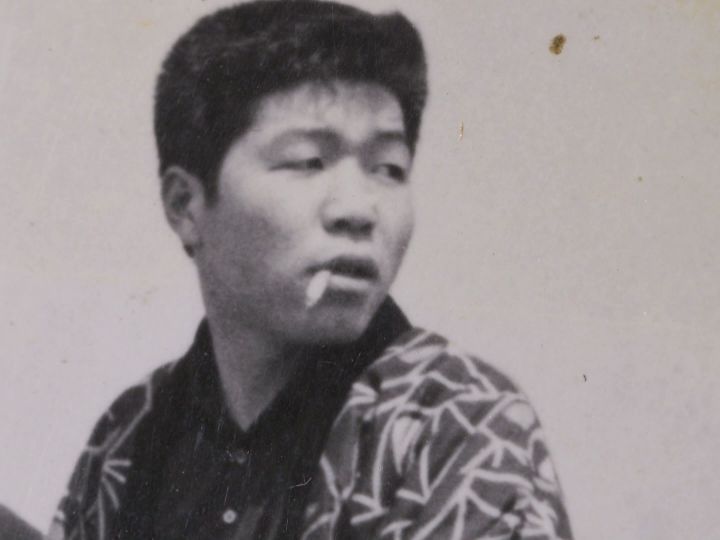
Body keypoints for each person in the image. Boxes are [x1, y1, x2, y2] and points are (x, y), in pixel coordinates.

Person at [49, 1, 572, 538]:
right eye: (308, 162)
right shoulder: (133, 434)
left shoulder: (456, 422)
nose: (359, 209)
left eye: (389, 168)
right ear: (185, 205)